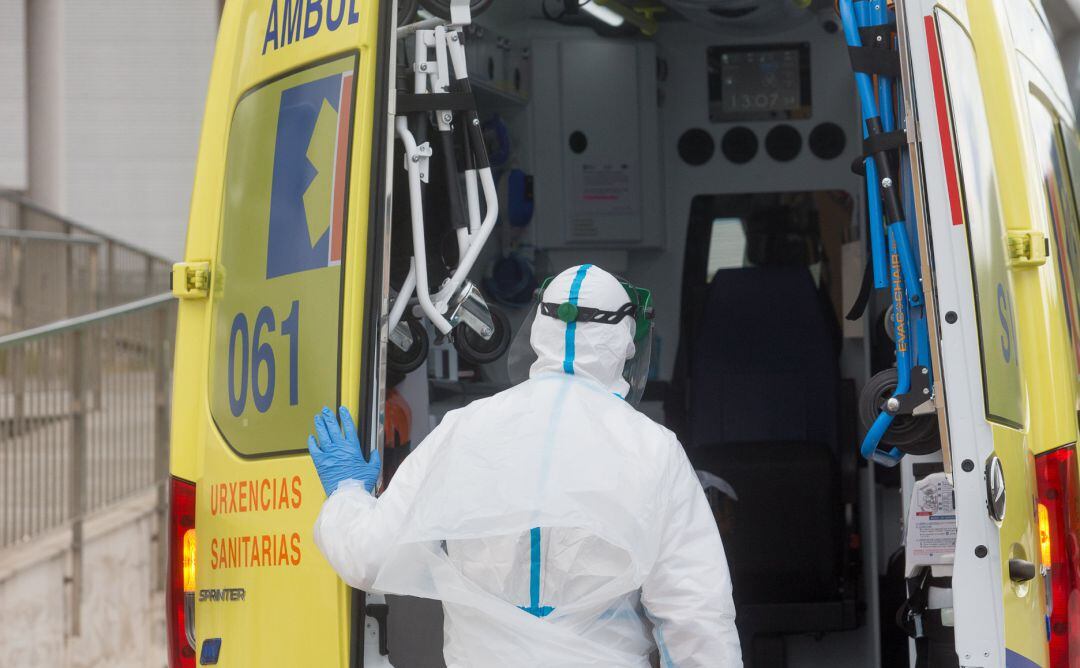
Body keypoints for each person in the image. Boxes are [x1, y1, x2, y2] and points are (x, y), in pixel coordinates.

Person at [308, 264, 742, 667]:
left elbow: (368, 558)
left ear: (539, 329)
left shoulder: (465, 430)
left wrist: (347, 492)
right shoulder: (654, 449)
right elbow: (698, 619)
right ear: (625, 342)